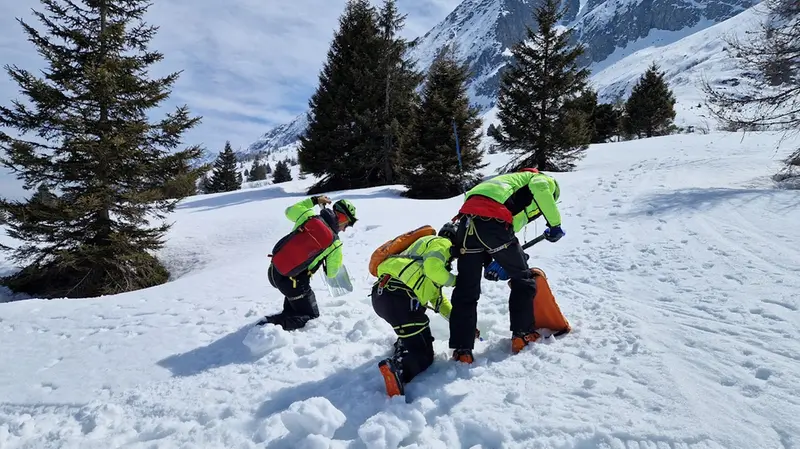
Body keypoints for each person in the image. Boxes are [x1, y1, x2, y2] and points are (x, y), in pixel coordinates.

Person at [448, 168, 564, 363]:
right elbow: (541, 189)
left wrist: (496, 259)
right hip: (492, 223)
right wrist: (555, 224)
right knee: (523, 279)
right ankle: (522, 334)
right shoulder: (539, 179)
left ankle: (462, 350)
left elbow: (512, 224)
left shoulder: (504, 183)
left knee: (466, 291)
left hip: (466, 226)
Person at [372, 222, 477, 397]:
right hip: (401, 298)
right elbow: (432, 269)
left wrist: (461, 323)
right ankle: (398, 370)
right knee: (424, 356)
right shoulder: (442, 243)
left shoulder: (420, 251)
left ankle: (403, 346)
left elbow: (438, 300)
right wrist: (458, 281)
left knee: (414, 335)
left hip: (383, 296)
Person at [257, 195, 357, 330]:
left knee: (296, 306)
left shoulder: (308, 216)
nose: (344, 229)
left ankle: (282, 318)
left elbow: (289, 211)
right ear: (343, 218)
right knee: (310, 317)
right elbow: (332, 273)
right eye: (347, 224)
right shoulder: (335, 244)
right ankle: (266, 327)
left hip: (275, 270)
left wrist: (315, 201)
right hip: (294, 282)